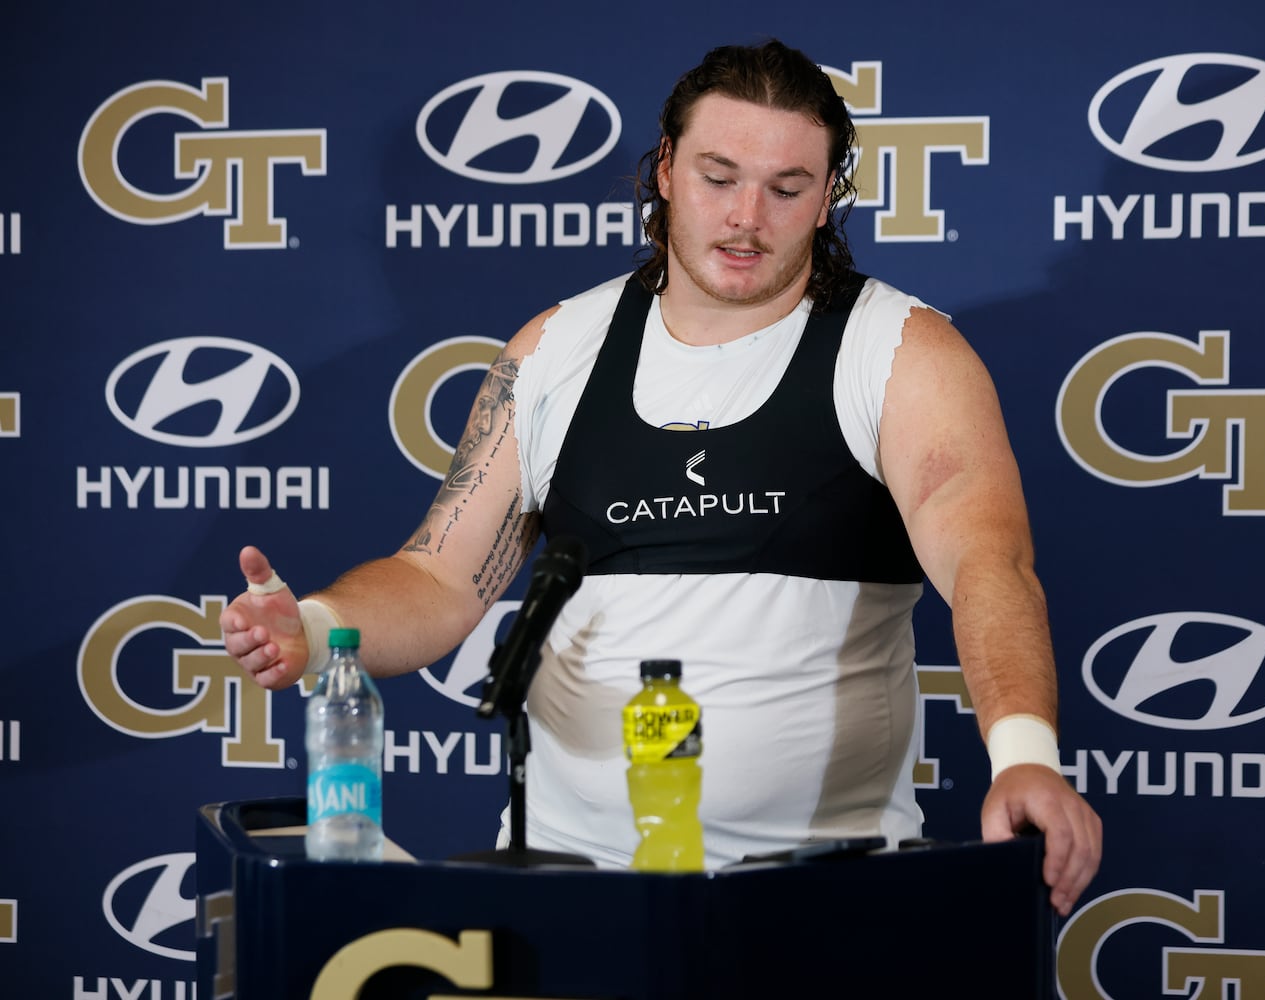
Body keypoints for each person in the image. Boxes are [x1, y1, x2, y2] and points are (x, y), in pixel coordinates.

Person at [221, 38, 1101, 915]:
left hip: (826, 896)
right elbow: (439, 577)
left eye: (787, 188)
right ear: (666, 172)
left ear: (829, 198)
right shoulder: (554, 348)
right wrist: (311, 626)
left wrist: (1025, 755)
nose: (747, 217)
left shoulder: (904, 352)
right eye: (719, 178)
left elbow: (989, 562)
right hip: (572, 887)